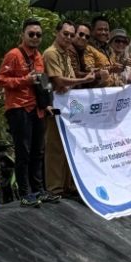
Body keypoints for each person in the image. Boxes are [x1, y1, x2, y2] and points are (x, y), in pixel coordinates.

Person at [0, 18, 48, 208]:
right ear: (23, 35)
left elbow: (42, 82)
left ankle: (39, 190)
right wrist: (24, 80)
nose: (35, 37)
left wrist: (46, 102)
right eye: (31, 34)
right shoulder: (14, 55)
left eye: (38, 35)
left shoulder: (39, 56)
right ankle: (25, 193)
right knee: (23, 152)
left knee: (38, 151)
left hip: (37, 109)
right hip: (18, 108)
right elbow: (0, 80)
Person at [42, 19, 95, 198]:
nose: (69, 37)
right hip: (55, 106)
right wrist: (82, 80)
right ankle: (55, 188)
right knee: (55, 147)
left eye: (72, 35)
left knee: (71, 145)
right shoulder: (51, 53)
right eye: (66, 34)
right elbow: (58, 81)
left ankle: (69, 186)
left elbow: (66, 82)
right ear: (57, 33)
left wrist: (68, 82)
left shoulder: (65, 54)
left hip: (71, 105)